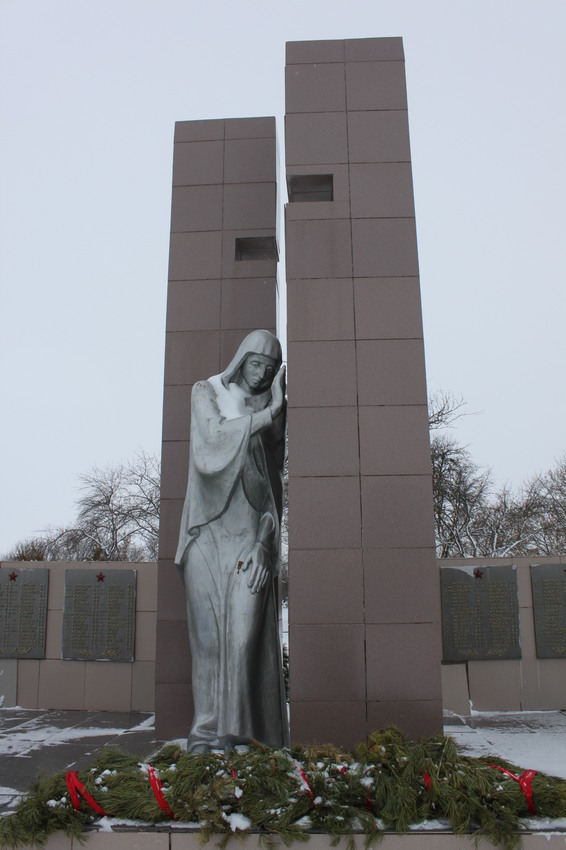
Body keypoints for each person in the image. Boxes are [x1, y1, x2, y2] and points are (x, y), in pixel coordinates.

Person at [175, 329, 289, 753]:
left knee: (241, 640)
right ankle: (205, 738)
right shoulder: (206, 392)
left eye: (271, 369)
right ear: (240, 359)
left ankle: (240, 737)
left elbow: (273, 494)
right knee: (207, 642)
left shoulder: (270, 414)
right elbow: (211, 446)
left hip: (247, 539)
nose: (262, 375)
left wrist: (265, 544)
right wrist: (271, 411)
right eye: (256, 363)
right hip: (205, 534)